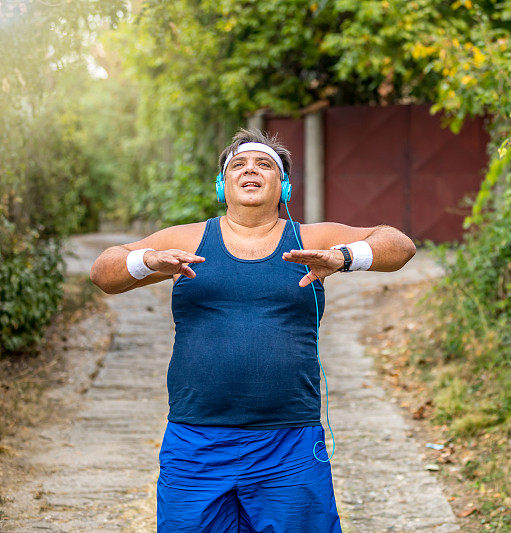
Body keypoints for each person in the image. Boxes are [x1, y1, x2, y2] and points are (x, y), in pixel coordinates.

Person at [89, 128, 416, 532]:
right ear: (222, 184)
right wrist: (148, 261)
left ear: (285, 186)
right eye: (238, 165)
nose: (251, 170)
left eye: (265, 164)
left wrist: (344, 256)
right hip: (196, 442)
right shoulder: (188, 239)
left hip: (289, 442)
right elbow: (104, 271)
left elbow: (399, 245)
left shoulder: (310, 239)